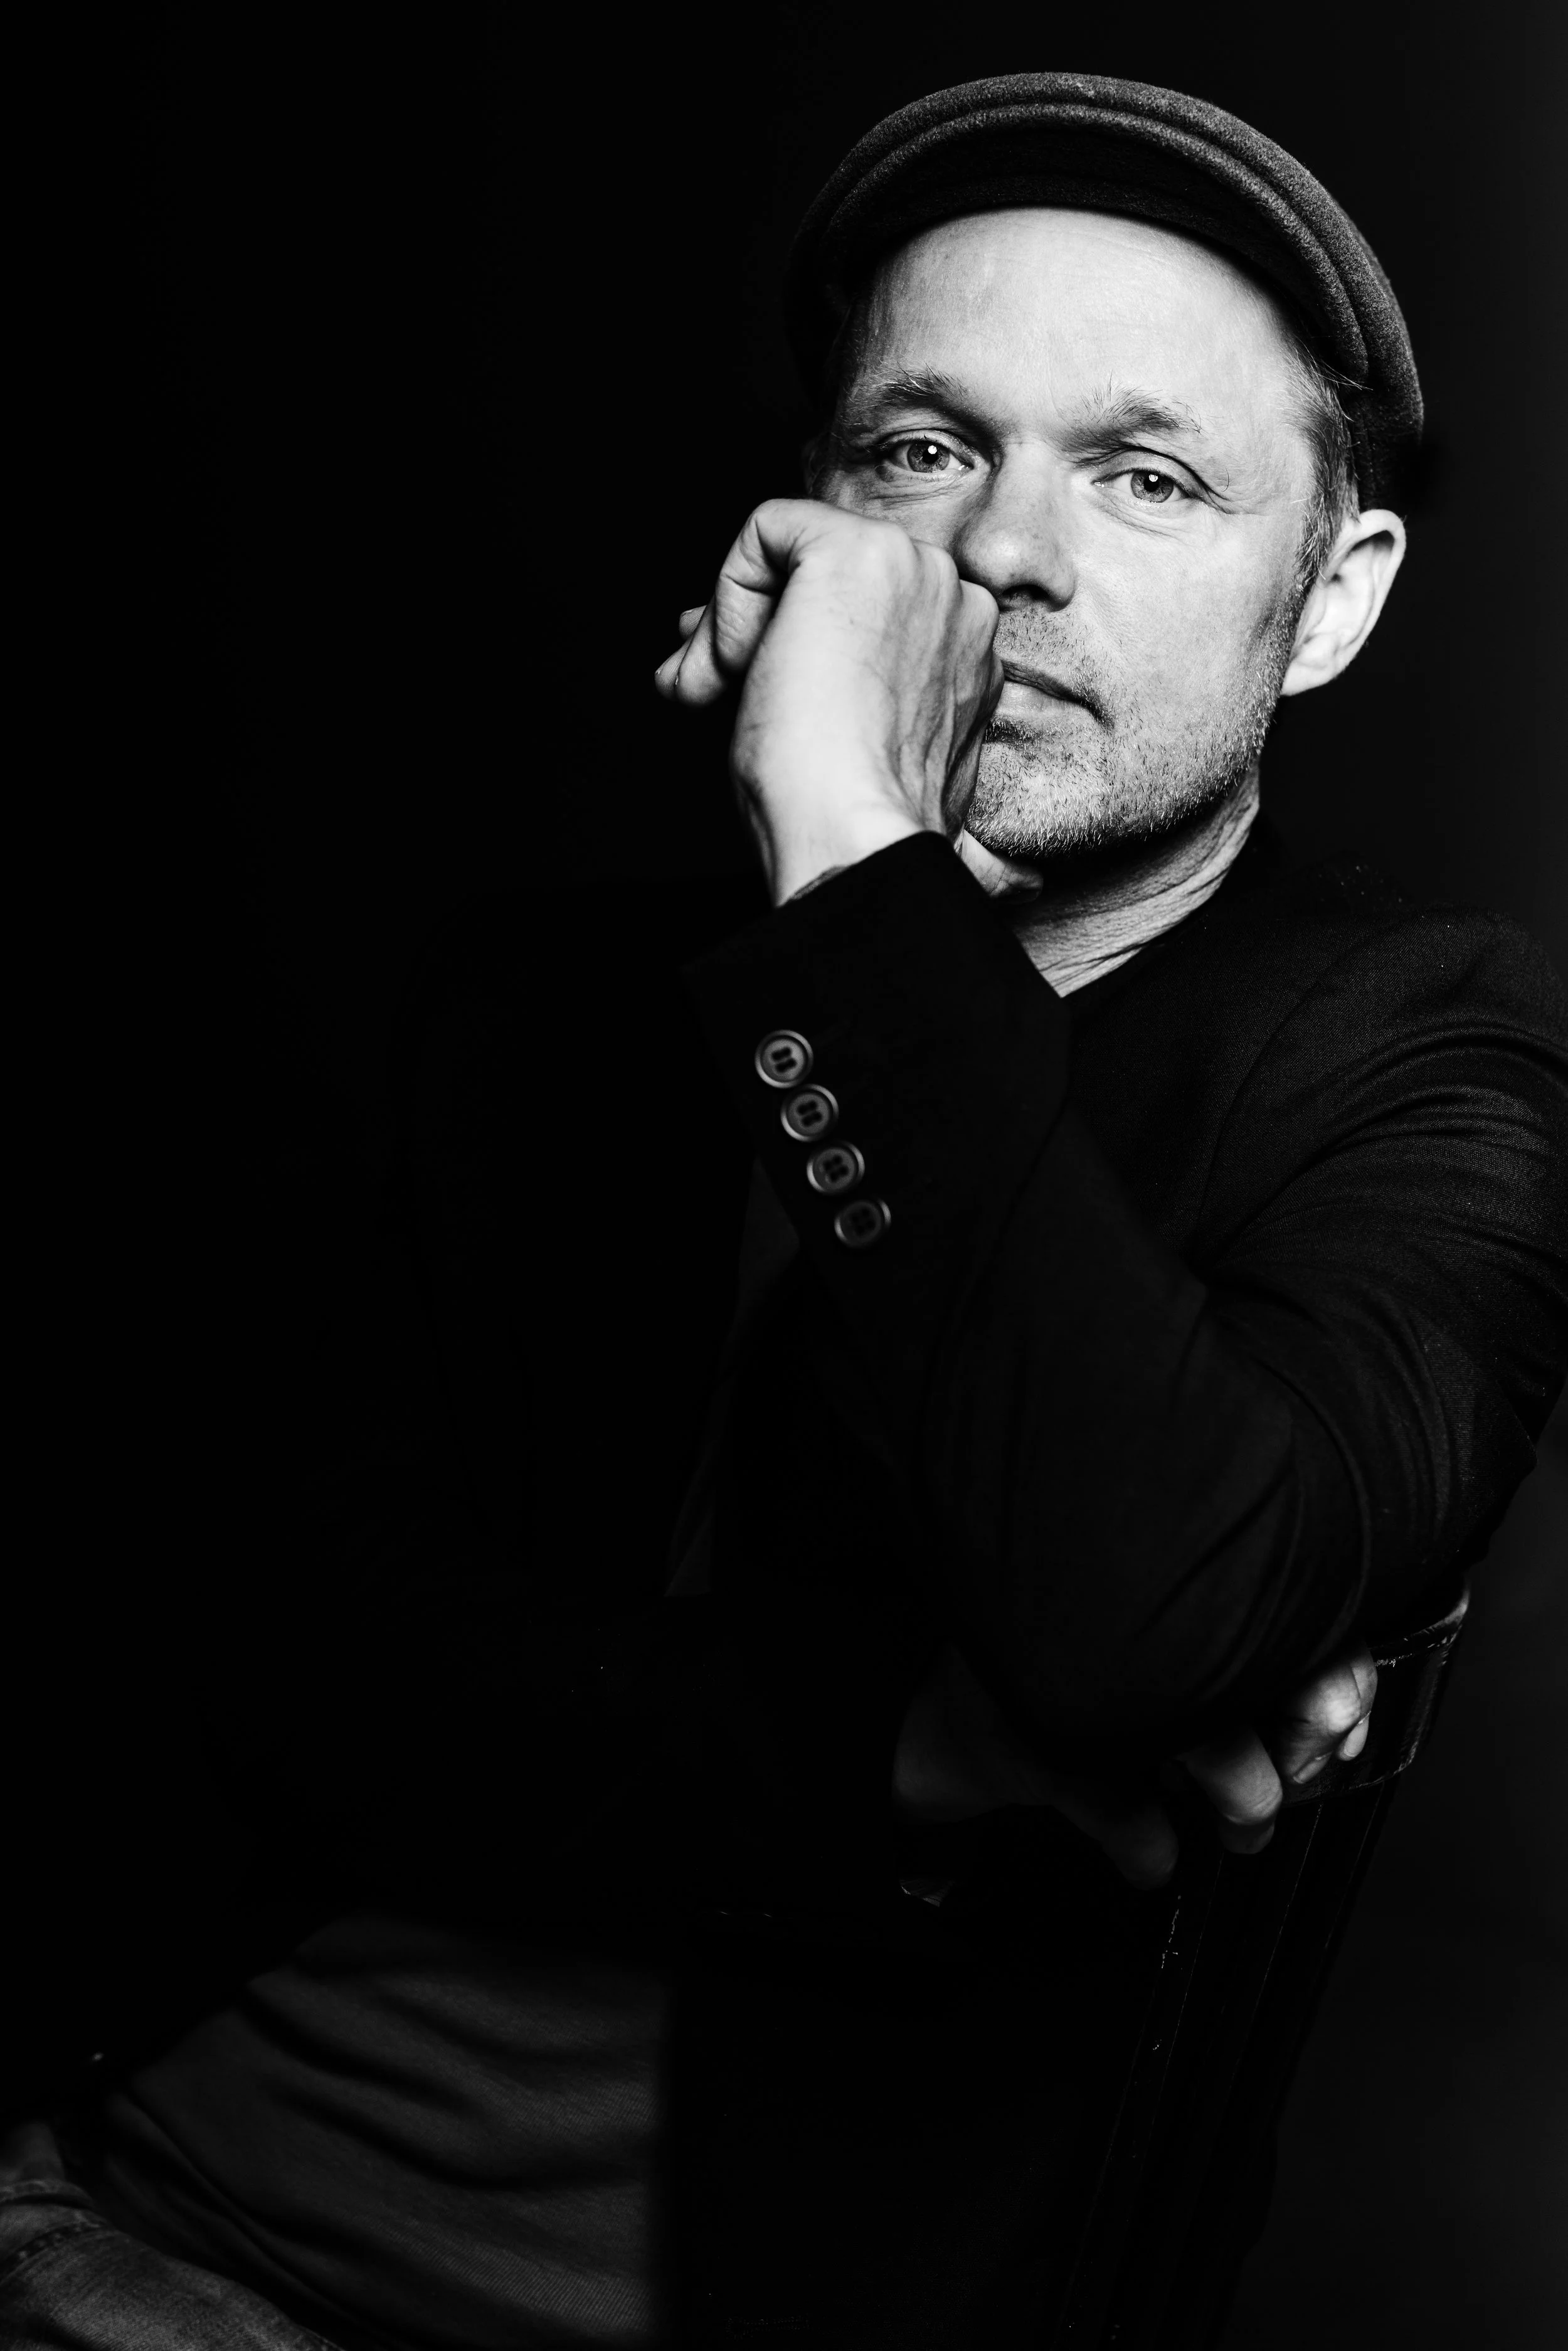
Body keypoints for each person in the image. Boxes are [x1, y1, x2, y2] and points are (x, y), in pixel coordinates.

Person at [3, 69, 1565, 2351]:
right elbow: (299, 1676)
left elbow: (1151, 1617)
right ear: (813, 517)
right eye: (923, 450)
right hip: (130, 2213)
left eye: (1143, 475)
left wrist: (850, 842)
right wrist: (904, 1745)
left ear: (1326, 602)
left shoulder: (1424, 1065)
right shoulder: (539, 1012)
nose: (1002, 553)